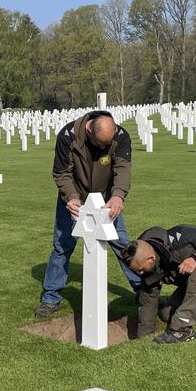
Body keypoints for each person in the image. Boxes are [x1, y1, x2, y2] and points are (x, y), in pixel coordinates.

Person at [34, 110, 141, 317]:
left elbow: (123, 168)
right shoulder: (68, 136)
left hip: (106, 200)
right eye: (101, 144)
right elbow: (61, 172)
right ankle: (51, 296)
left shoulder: (119, 135)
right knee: (62, 245)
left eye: (107, 143)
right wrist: (71, 197)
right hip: (74, 198)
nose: (104, 148)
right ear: (89, 128)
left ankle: (142, 290)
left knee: (121, 243)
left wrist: (118, 195)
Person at [121, 224, 196, 343]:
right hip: (195, 280)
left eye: (141, 269)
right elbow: (148, 301)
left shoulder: (183, 236)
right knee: (166, 314)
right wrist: (143, 339)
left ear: (151, 258)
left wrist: (195, 259)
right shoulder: (148, 263)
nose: (140, 273)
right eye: (136, 271)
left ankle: (181, 330)